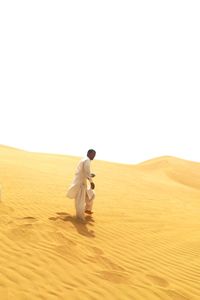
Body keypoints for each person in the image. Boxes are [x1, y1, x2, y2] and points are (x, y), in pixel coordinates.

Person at [67, 149, 96, 220]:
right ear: (89, 153)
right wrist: (91, 182)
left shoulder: (83, 160)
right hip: (80, 184)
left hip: (82, 182)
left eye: (95, 155)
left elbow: (83, 172)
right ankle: (80, 218)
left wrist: (90, 175)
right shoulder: (87, 161)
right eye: (93, 154)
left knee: (91, 194)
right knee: (80, 200)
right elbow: (86, 172)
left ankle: (87, 209)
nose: (94, 156)